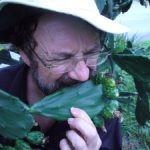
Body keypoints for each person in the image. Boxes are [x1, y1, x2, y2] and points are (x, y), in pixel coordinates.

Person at [0, 0, 128, 149]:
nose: (84, 75)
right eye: (61, 58)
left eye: (92, 52)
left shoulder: (103, 105)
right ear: (25, 54)